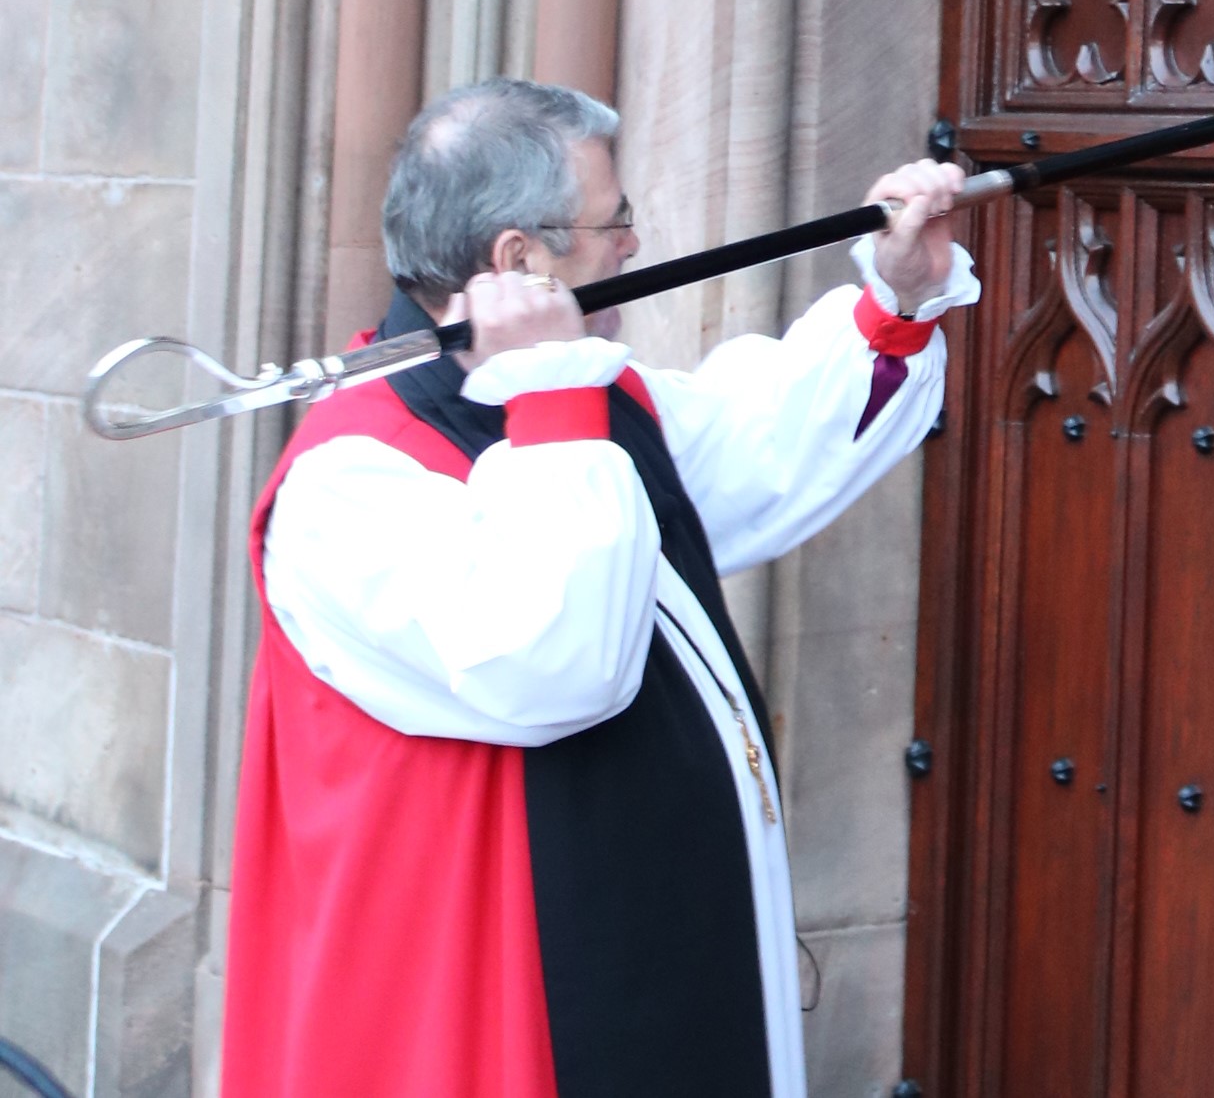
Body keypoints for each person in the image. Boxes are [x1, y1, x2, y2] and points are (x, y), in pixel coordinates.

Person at [220, 79, 972, 1098]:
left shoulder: (587, 397)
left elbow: (756, 451)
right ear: (518, 261)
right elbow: (554, 662)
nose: (629, 243)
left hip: (651, 937)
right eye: (612, 221)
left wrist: (898, 293)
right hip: (503, 1011)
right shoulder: (353, 480)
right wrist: (552, 398)